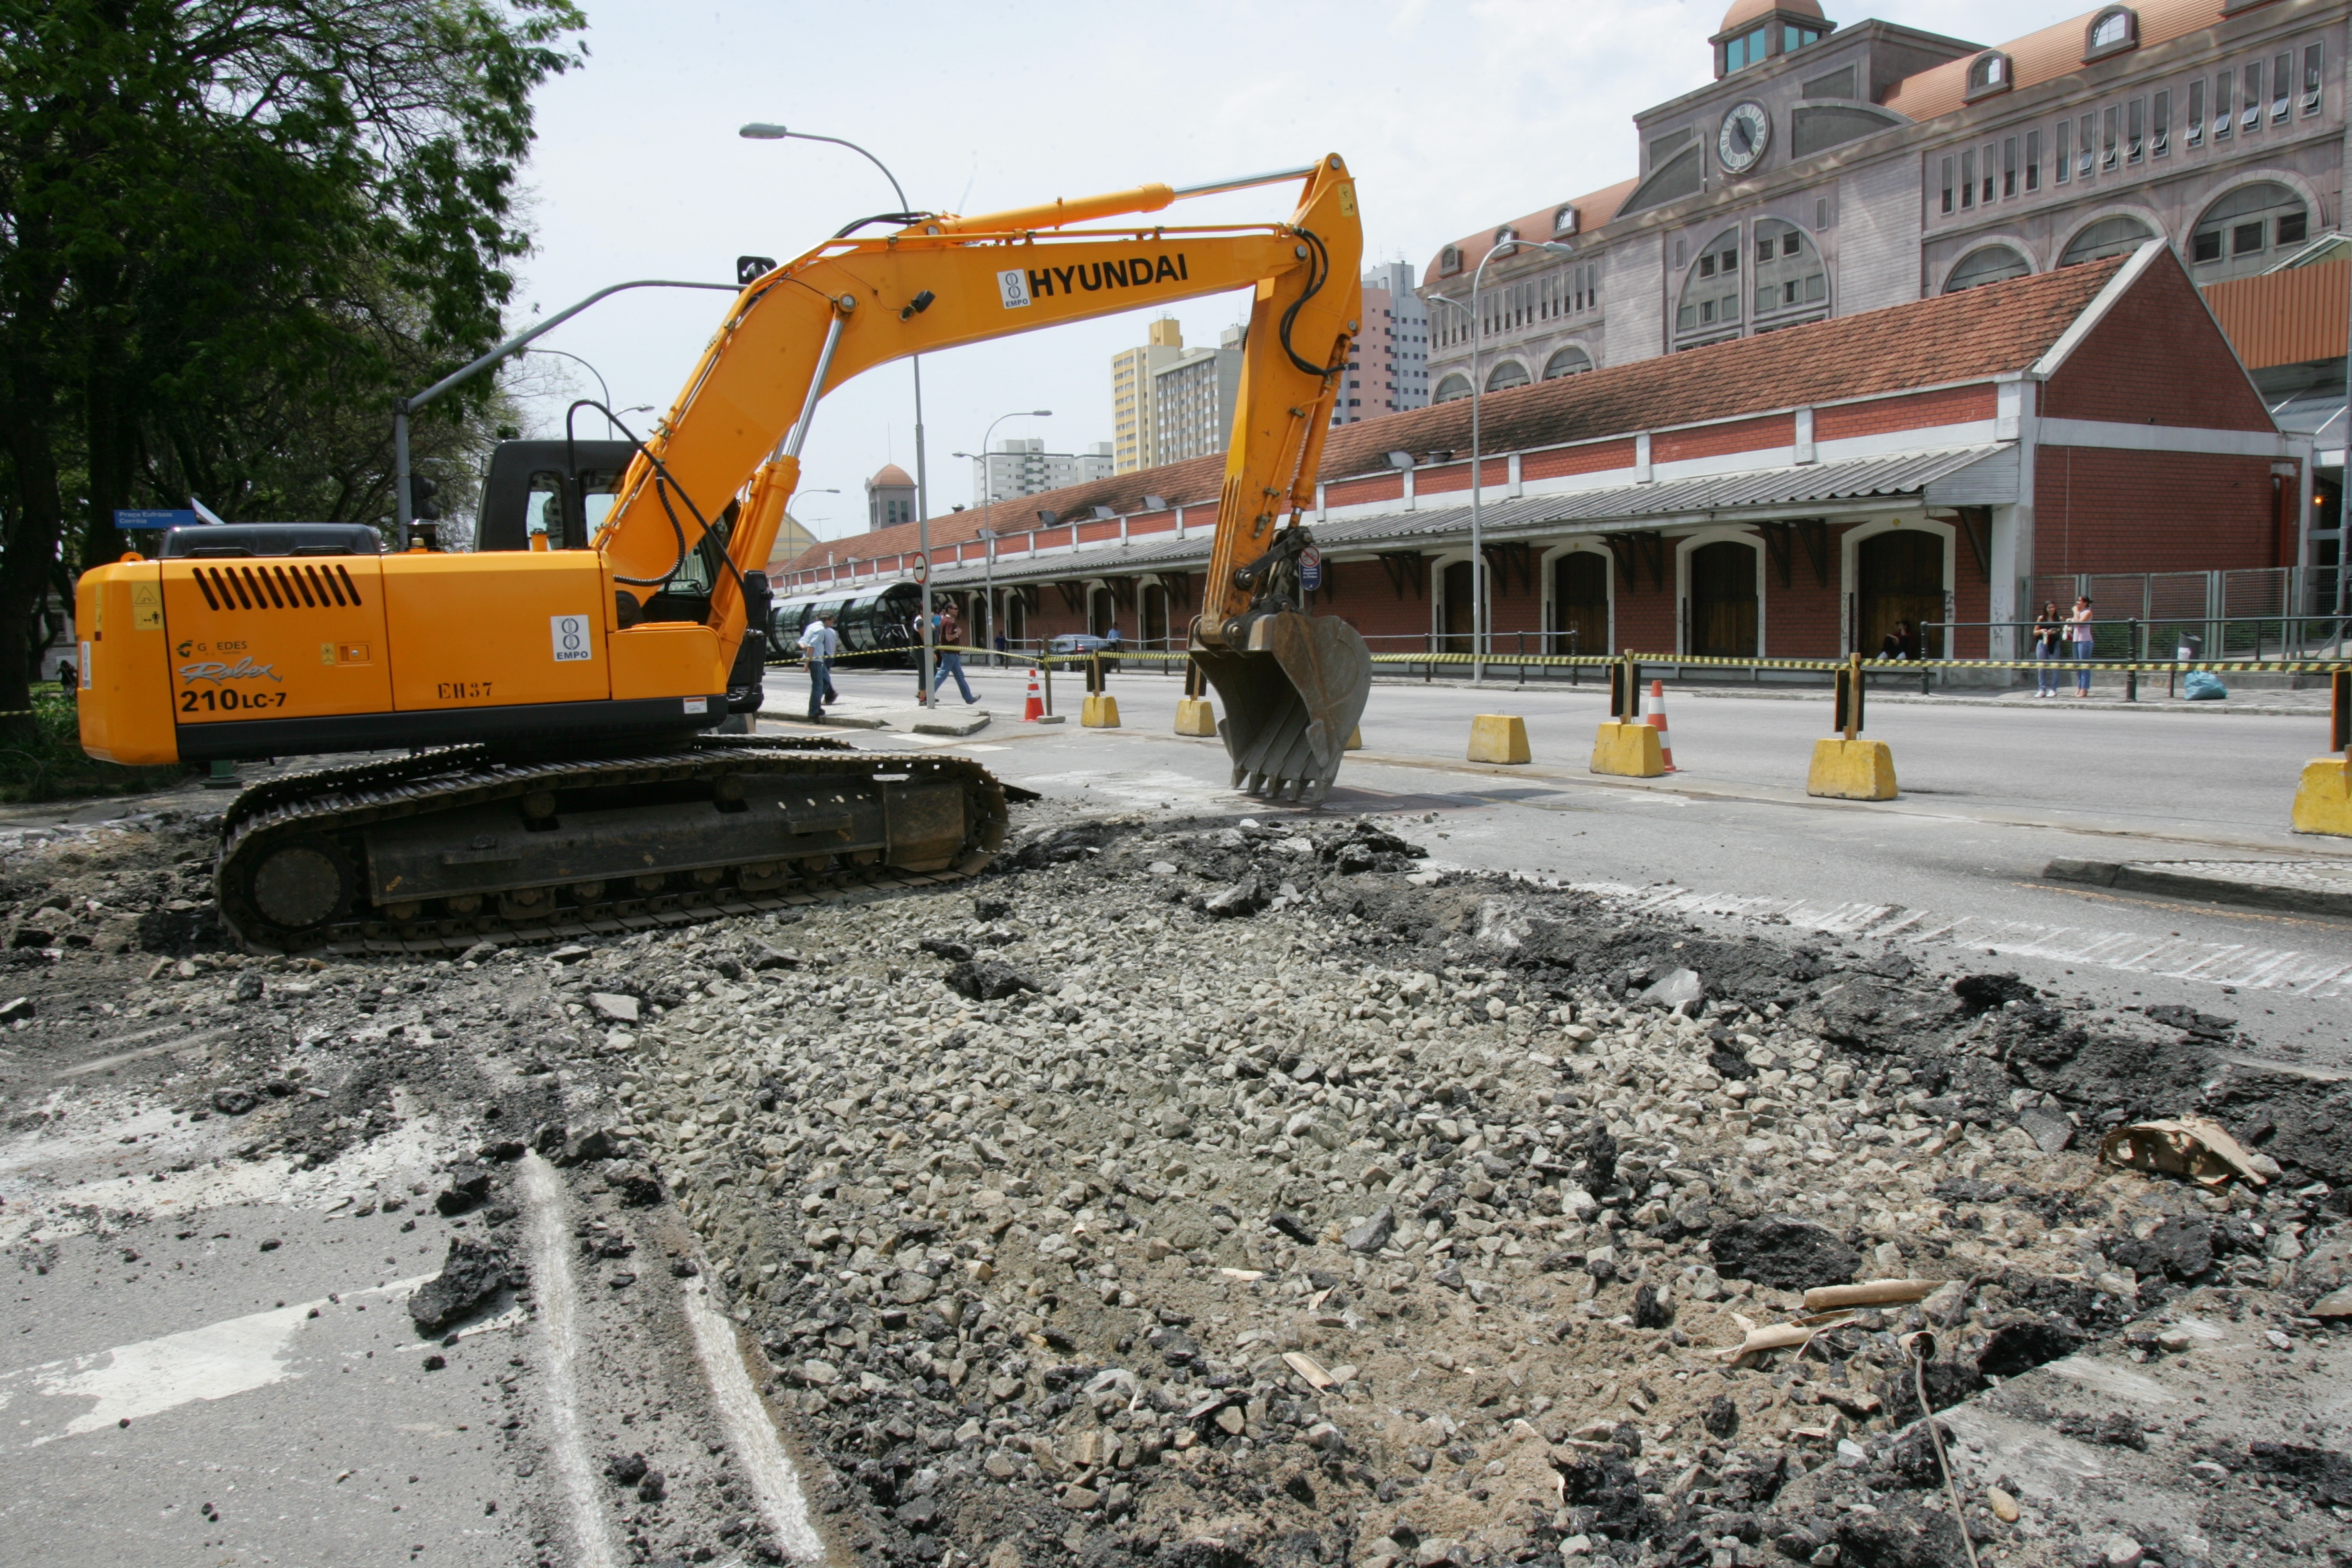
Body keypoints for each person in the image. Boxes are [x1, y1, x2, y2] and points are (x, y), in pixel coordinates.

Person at [932, 603, 977, 703]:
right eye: (955, 609)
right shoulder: (949, 622)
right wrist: (958, 632)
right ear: (949, 610)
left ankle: (969, 698)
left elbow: (941, 637)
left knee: (959, 676)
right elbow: (949, 637)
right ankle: (928, 695)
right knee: (942, 674)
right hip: (950, 653)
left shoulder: (944, 620)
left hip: (951, 652)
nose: (957, 610)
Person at [798, 614, 840, 721]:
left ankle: (815, 704)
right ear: (826, 620)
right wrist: (807, 663)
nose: (831, 624)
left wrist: (804, 648)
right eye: (831, 622)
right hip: (815, 660)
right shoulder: (821, 630)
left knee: (826, 680)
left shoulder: (811, 627)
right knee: (818, 685)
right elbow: (812, 646)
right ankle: (813, 711)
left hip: (818, 659)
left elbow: (801, 642)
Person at [2031, 602, 2065, 696]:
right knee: (2041, 667)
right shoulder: (2041, 618)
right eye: (2049, 608)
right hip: (2042, 643)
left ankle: (2053, 689)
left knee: (2055, 666)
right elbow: (2035, 632)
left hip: (2054, 643)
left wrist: (2053, 631)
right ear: (2045, 609)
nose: (2051, 609)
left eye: (2053, 607)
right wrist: (2042, 631)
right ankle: (2042, 689)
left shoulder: (2059, 619)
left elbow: (2062, 630)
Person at [2069, 595, 2096, 697]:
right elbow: (2074, 624)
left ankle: (2084, 688)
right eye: (2077, 600)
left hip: (2085, 640)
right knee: (2078, 665)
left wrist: (2075, 612)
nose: (2077, 603)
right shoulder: (2078, 613)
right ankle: (2079, 687)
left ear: (2085, 603)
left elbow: (2079, 623)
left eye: (2079, 601)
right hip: (2076, 640)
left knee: (2084, 665)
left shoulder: (2087, 612)